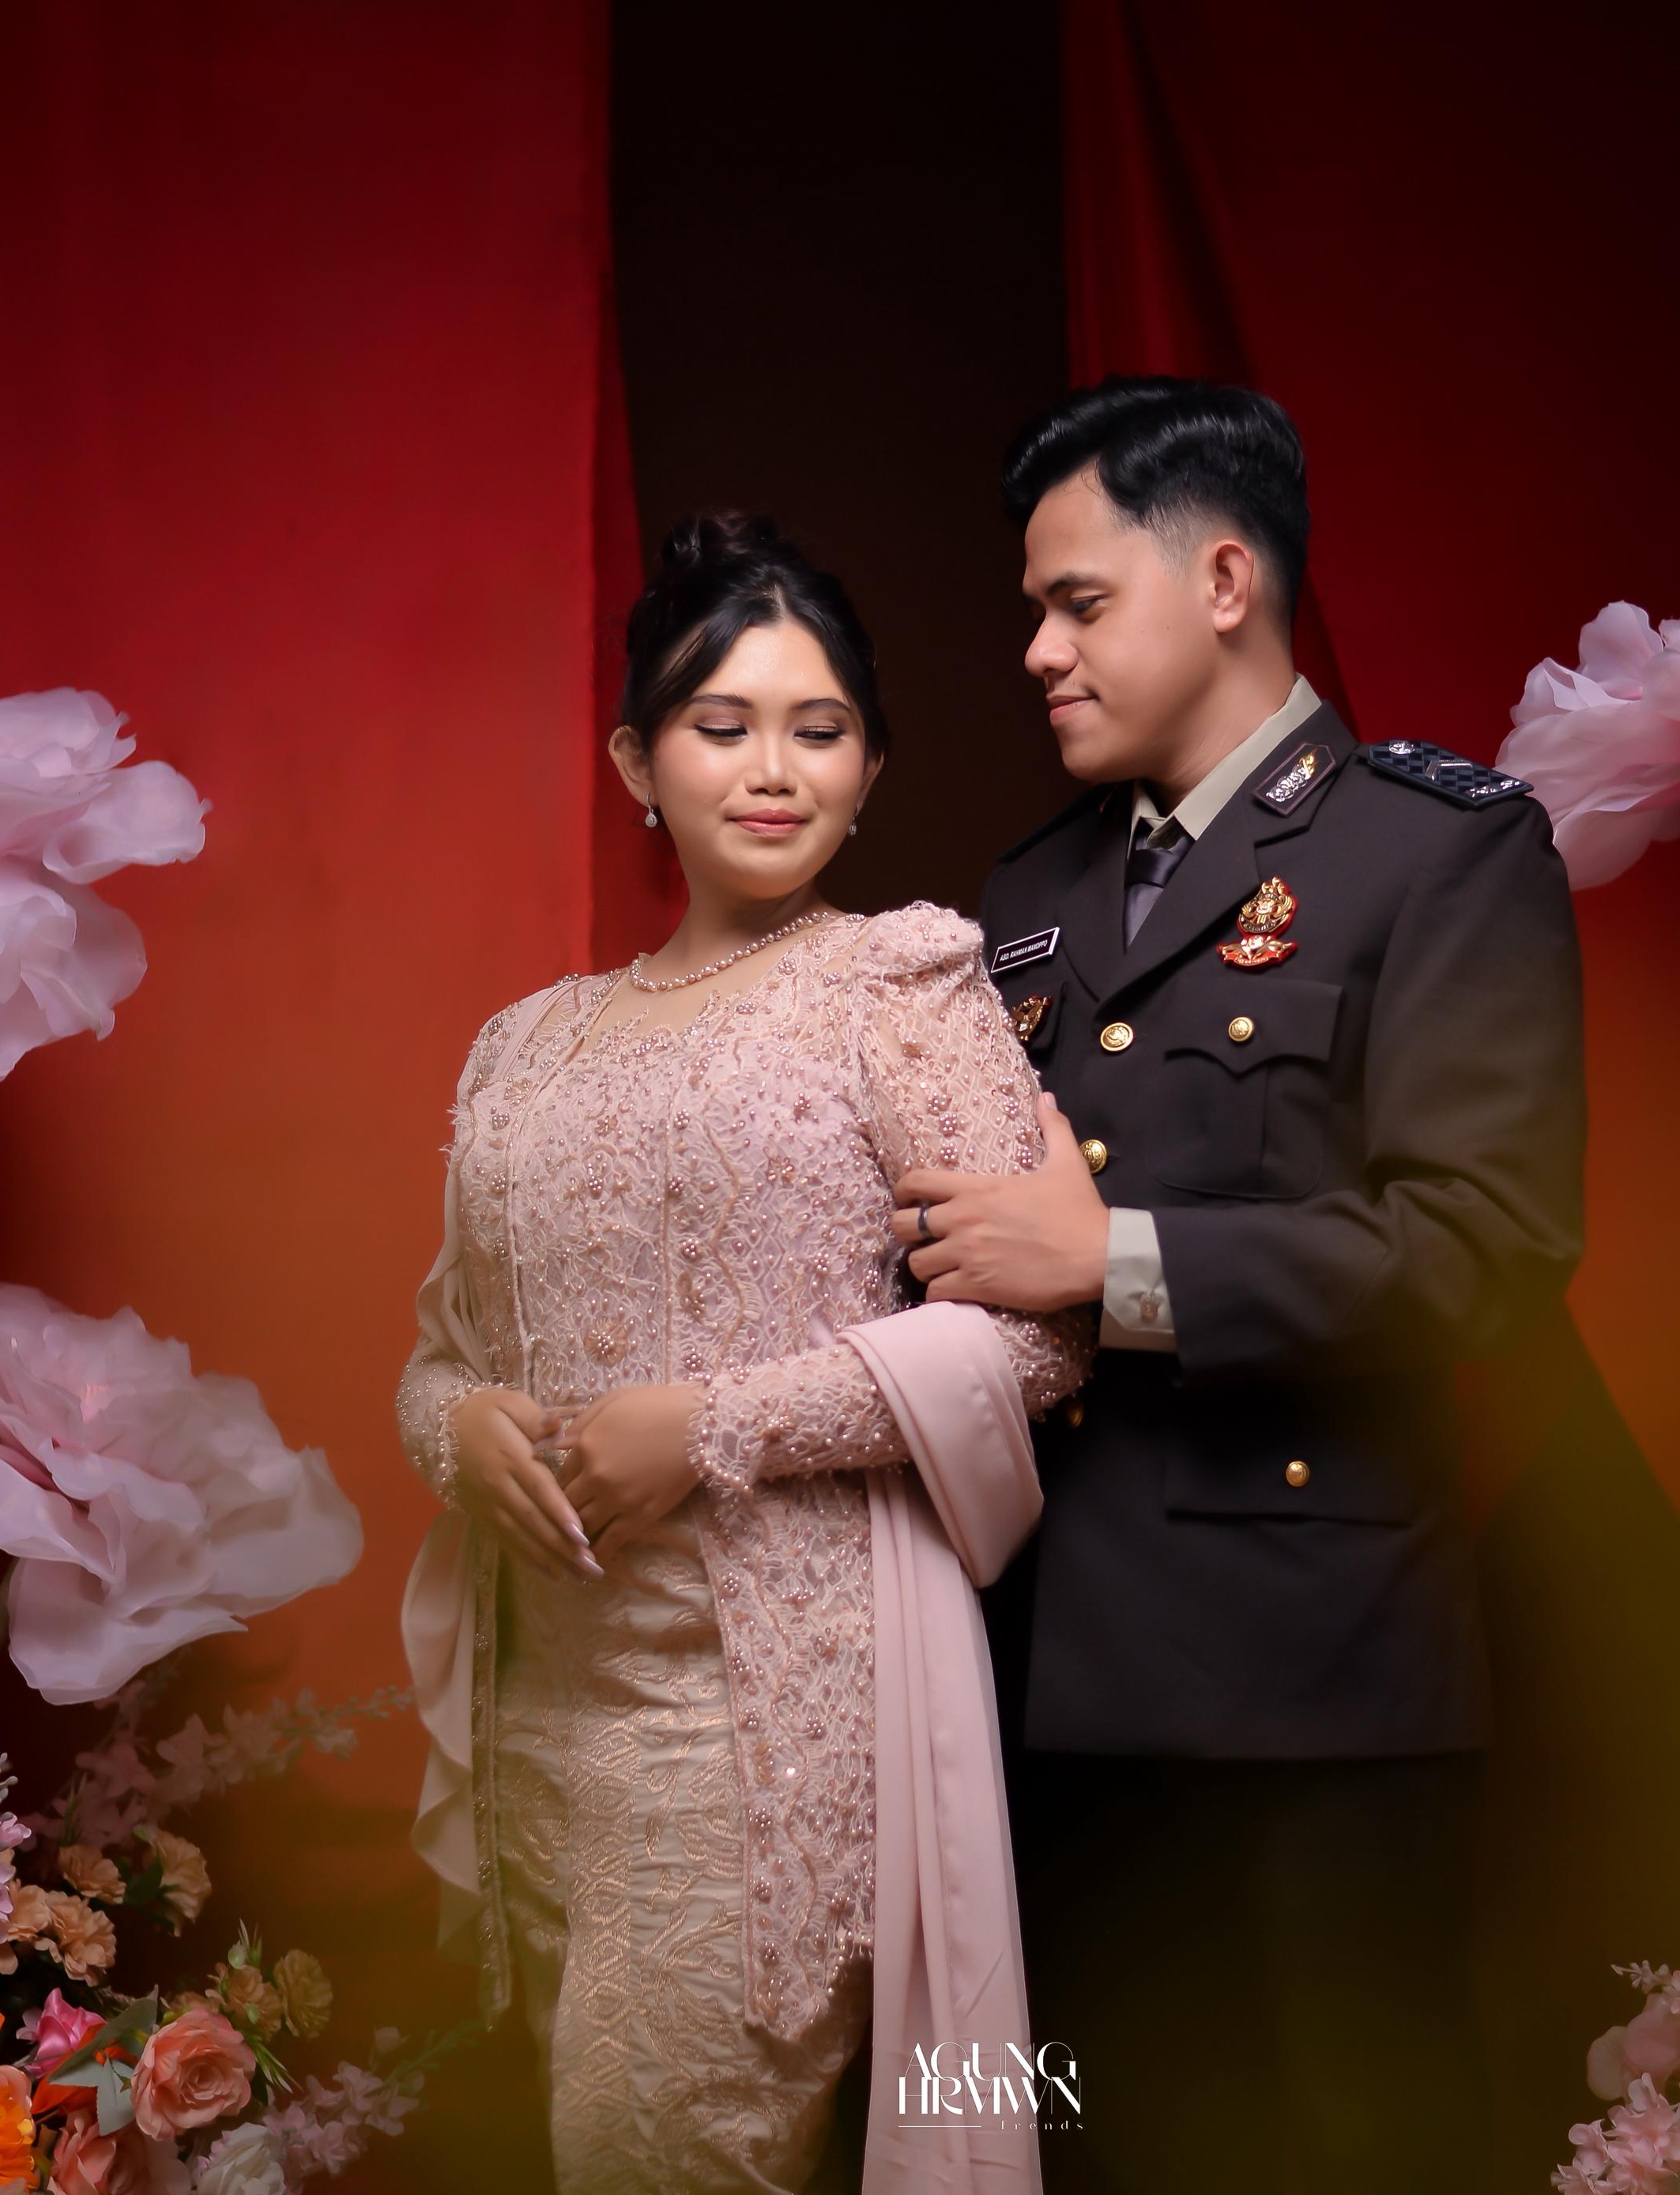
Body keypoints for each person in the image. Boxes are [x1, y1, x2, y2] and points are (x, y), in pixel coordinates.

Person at [891, 378, 1586, 2190]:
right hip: (1035, 1671)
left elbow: (1487, 1250)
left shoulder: (1435, 851)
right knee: (1077, 2141)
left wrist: (1108, 1264)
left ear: (1221, 581)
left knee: (1353, 2147)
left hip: (1309, 1678)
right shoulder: (1028, 893)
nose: (1035, 652)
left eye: (1075, 602)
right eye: (1033, 610)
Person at [396, 514, 1090, 2192]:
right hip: (539, 1698)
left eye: (819, 729)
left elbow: (1030, 1336)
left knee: (655, 2154)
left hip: (762, 1706)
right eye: (723, 726)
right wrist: (457, 1429)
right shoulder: (522, 1043)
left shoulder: (897, 984)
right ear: (638, 761)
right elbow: (439, 1351)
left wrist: (705, 1425)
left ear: (869, 767)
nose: (774, 770)